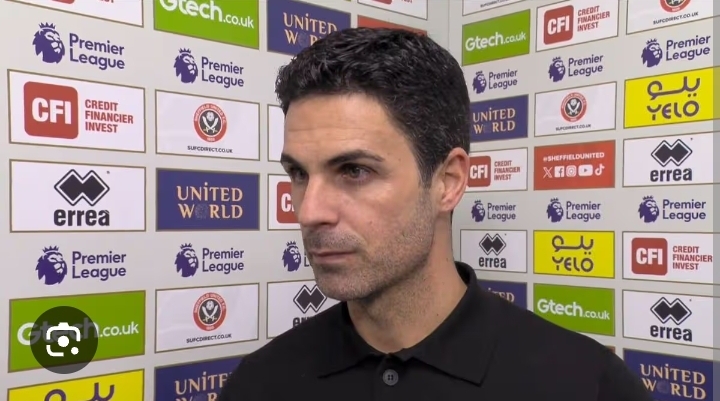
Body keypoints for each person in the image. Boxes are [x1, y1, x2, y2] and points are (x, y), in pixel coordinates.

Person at [219, 28, 652, 401]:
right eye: (298, 173)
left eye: (354, 171)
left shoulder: (585, 385)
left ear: (448, 181)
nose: (310, 211)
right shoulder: (259, 384)